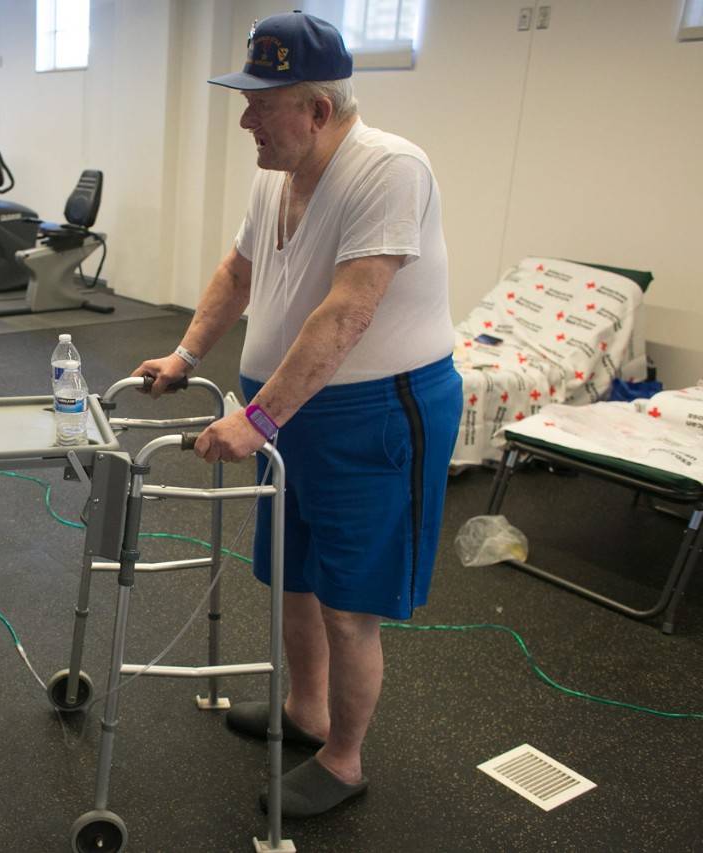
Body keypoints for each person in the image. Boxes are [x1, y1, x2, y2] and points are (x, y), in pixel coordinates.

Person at [134, 12, 462, 818]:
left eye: (261, 103)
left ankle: (344, 760)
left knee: (350, 603)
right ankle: (306, 713)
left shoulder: (389, 169)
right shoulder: (275, 170)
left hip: (375, 415)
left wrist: (259, 418)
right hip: (294, 410)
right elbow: (239, 270)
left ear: (317, 109)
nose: (245, 119)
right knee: (293, 577)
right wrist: (186, 354)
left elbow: (347, 312)